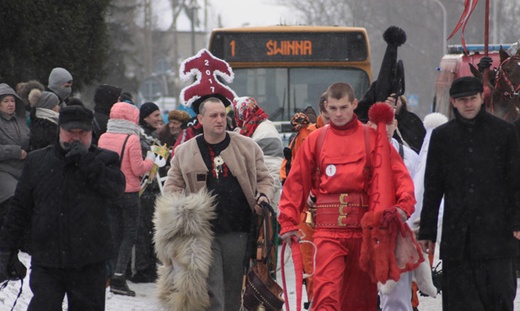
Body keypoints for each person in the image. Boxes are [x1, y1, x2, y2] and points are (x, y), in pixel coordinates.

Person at [278, 82, 415, 310]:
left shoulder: (372, 138)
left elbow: (399, 175)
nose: (338, 114)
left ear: (354, 104)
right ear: (326, 107)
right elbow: (296, 183)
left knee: (360, 302)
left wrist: (403, 206)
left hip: (364, 233)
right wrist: (287, 220)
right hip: (327, 233)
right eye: (333, 109)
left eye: (343, 107)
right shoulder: (315, 140)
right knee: (325, 297)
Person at [0, 105, 126, 310]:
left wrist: (86, 162)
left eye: (82, 133)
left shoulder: (105, 160)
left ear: (91, 133)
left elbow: (115, 188)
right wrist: (6, 249)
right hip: (47, 259)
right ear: (59, 130)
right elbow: (19, 209)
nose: (76, 138)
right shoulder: (38, 161)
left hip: (89, 261)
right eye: (70, 132)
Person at [156, 96, 274, 310]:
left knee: (232, 292)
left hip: (238, 231)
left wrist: (264, 196)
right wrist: (181, 211)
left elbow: (265, 179)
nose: (220, 120)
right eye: (213, 115)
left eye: (223, 115)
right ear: (201, 118)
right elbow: (172, 187)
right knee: (212, 293)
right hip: (202, 235)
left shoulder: (247, 147)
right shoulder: (184, 151)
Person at [418, 76, 520, 311]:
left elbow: (515, 181)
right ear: (453, 102)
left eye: (472, 98)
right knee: (460, 303)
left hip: (497, 236)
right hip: (458, 241)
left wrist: (517, 220)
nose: (468, 105)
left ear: (482, 97)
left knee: (500, 299)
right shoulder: (442, 137)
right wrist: (428, 230)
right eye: (462, 100)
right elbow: (433, 188)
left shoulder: (504, 133)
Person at [98, 102, 155, 296]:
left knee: (115, 234)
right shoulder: (132, 139)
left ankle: (111, 272)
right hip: (129, 193)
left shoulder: (104, 137)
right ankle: (119, 277)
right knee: (129, 235)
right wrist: (152, 160)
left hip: (110, 191)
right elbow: (138, 168)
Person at [130, 101, 162, 283]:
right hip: (143, 190)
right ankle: (142, 269)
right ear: (145, 117)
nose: (160, 119)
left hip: (152, 190)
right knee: (142, 232)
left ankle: (149, 267)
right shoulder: (141, 138)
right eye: (156, 115)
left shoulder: (151, 136)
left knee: (151, 231)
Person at [232, 96, 283, 209]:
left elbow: (273, 167)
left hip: (267, 199)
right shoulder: (250, 128)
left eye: (236, 113)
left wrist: (265, 194)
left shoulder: (265, 131)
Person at [0, 83, 30, 230]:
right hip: (3, 172)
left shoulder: (21, 120)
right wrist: (14, 151)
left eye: (12, 101)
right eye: (5, 101)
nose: (10, 104)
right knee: (12, 201)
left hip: (22, 170)